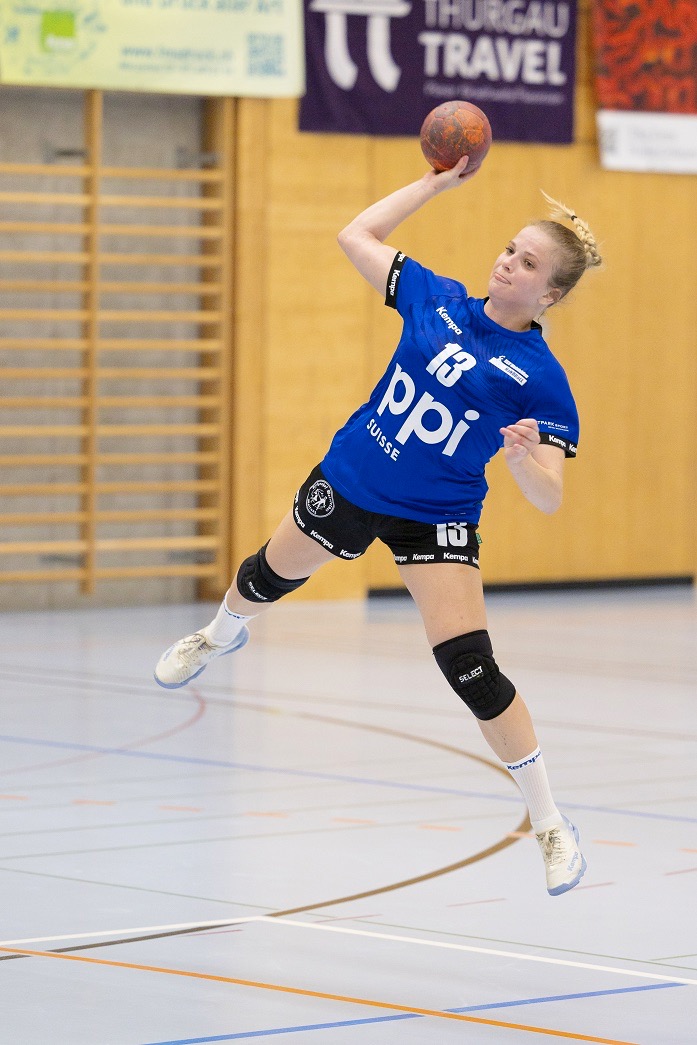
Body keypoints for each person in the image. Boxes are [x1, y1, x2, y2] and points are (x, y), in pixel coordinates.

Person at [155, 154, 602, 896]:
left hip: (437, 516)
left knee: (472, 671)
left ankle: (550, 823)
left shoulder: (539, 377)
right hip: (354, 479)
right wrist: (433, 185)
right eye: (508, 249)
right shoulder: (435, 299)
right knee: (265, 577)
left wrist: (525, 462)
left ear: (548, 293)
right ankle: (218, 632)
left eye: (527, 265)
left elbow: (550, 495)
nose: (507, 264)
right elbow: (355, 233)